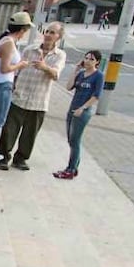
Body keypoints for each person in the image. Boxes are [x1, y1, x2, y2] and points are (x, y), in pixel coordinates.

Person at [0, 22, 66, 171]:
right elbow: (17, 69)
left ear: (58, 37)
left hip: (39, 100)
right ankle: (3, 156)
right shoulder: (30, 50)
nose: (48, 35)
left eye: (52, 32)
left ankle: (20, 158)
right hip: (20, 95)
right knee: (10, 129)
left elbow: (56, 75)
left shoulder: (60, 55)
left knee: (30, 132)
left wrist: (44, 67)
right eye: (47, 31)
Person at [0, 11, 32, 165]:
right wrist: (20, 65)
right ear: (22, 29)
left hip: (1, 84)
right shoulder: (8, 43)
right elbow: (5, 68)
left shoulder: (7, 40)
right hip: (2, 85)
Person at [54, 50, 104, 180]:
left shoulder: (98, 76)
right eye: (86, 58)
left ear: (97, 62)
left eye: (91, 59)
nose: (88, 61)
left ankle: (71, 169)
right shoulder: (81, 74)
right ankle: (74, 167)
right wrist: (75, 70)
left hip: (83, 111)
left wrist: (83, 107)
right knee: (71, 140)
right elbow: (69, 86)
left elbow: (96, 95)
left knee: (75, 140)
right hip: (72, 108)